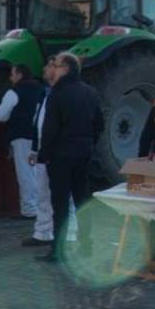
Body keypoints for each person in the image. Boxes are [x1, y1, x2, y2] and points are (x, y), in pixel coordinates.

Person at [33, 51, 102, 262]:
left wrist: (43, 155)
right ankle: (86, 244)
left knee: (60, 203)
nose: (53, 67)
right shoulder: (90, 92)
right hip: (84, 153)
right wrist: (89, 143)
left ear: (67, 69)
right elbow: (100, 124)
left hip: (60, 155)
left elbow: (50, 129)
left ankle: (59, 250)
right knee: (82, 199)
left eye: (57, 64)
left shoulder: (57, 93)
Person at [0, 62, 51, 248]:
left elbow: (0, 116)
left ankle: (29, 208)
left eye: (12, 74)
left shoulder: (14, 92)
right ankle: (38, 208)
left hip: (20, 135)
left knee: (24, 172)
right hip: (38, 136)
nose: (10, 78)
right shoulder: (42, 89)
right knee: (38, 172)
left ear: (18, 75)